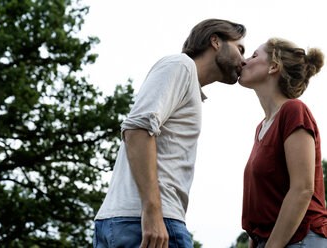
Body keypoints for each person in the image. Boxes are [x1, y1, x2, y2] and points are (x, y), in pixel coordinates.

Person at [94, 19, 246, 248]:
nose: (244, 60)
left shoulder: (189, 84)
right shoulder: (181, 65)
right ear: (215, 41)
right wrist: (153, 213)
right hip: (146, 222)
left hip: (126, 222)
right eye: (240, 49)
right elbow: (137, 129)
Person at [239, 38, 327, 248]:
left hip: (301, 238)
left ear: (273, 67)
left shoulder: (293, 110)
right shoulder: (261, 128)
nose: (244, 61)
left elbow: (303, 189)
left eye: (254, 56)